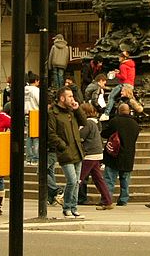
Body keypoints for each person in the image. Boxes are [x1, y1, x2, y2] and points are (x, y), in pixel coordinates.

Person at [47, 86, 88, 219]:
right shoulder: (53, 113)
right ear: (62, 98)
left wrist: (77, 108)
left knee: (76, 182)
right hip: (65, 151)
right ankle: (67, 208)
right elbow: (51, 133)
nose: (72, 99)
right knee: (72, 180)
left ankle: (73, 207)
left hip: (77, 149)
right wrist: (62, 145)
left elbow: (84, 122)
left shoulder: (71, 111)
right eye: (69, 96)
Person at [100, 102, 140, 206]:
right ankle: (123, 199)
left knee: (109, 179)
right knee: (125, 180)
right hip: (128, 156)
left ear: (119, 111)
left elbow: (104, 133)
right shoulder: (135, 124)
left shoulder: (115, 121)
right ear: (129, 111)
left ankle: (107, 199)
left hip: (114, 155)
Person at [77, 102, 114, 209]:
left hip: (90, 154)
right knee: (98, 179)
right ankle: (107, 201)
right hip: (97, 153)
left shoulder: (87, 123)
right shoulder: (95, 123)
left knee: (79, 177)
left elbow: (80, 136)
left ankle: (67, 198)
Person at [104, 50, 141, 117]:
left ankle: (106, 113)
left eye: (120, 57)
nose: (119, 58)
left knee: (111, 96)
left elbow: (124, 77)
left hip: (124, 84)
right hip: (130, 85)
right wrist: (119, 72)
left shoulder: (123, 66)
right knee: (129, 100)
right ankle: (137, 110)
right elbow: (128, 74)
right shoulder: (131, 64)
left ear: (124, 58)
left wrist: (116, 74)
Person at [25, 73, 41, 165]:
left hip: (26, 114)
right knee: (36, 138)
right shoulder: (36, 90)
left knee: (29, 137)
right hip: (35, 114)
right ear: (36, 81)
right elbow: (40, 102)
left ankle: (28, 158)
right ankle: (35, 158)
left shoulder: (24, 90)